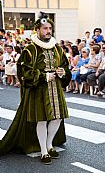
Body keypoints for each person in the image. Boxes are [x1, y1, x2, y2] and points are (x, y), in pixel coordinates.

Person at [0, 12, 71, 165]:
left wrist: (62, 72)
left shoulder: (57, 48)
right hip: (38, 91)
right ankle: (44, 151)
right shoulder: (30, 50)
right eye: (45, 28)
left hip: (56, 89)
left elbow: (66, 65)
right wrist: (43, 76)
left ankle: (50, 144)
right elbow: (23, 71)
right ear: (37, 30)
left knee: (57, 117)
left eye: (50, 28)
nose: (48, 31)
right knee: (42, 120)